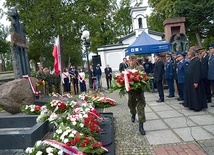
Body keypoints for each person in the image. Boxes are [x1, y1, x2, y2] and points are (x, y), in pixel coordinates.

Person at [127, 54, 146, 135]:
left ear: (136, 60)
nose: (132, 62)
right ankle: (133, 114)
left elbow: (144, 78)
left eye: (133, 60)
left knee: (141, 108)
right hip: (131, 92)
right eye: (130, 60)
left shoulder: (140, 68)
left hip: (139, 91)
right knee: (131, 105)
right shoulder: (127, 70)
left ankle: (141, 126)